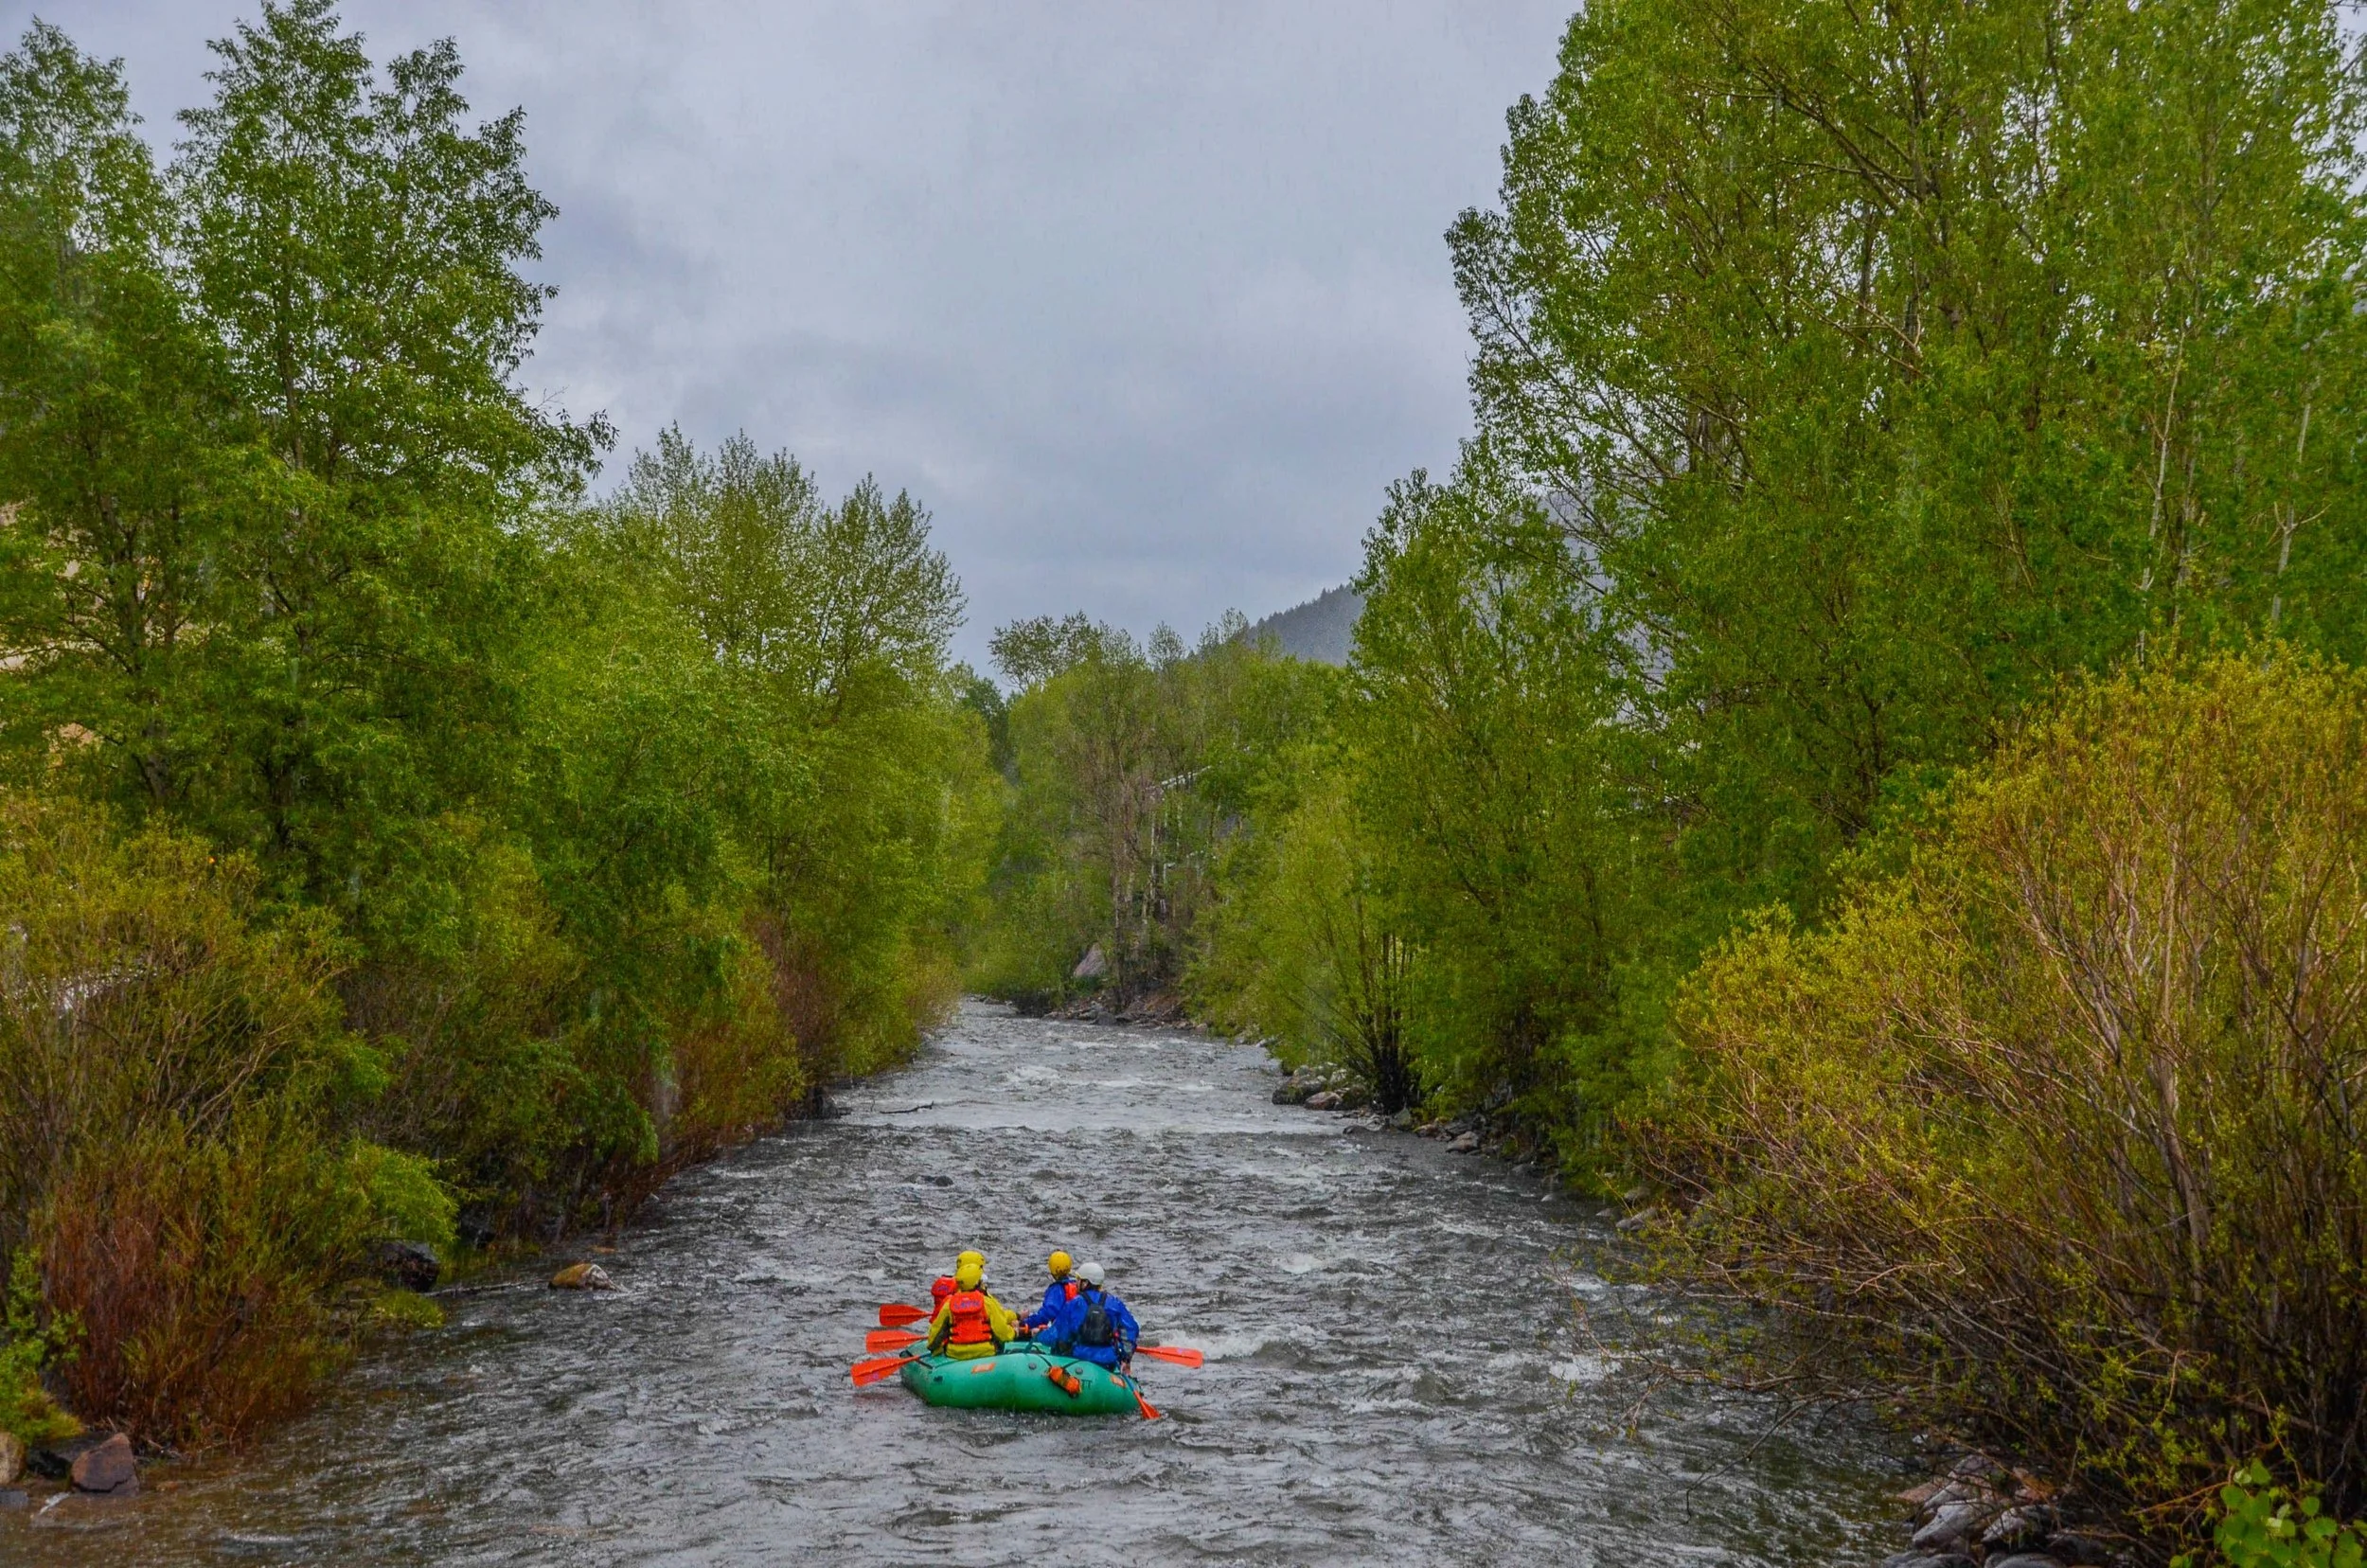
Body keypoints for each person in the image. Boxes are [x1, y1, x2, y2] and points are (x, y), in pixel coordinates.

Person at [1048, 1260, 1138, 1370]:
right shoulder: (1114, 1303)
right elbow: (1131, 1329)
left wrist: (1037, 1336)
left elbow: (1059, 1334)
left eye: (1078, 1280)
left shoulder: (1074, 1304)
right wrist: (1126, 1357)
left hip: (1077, 1360)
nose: (1076, 1283)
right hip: (1107, 1362)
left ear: (1085, 1283)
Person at [927, 1256, 1018, 1361]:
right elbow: (1002, 1332)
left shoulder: (949, 1304)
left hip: (955, 1355)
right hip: (986, 1353)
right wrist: (1014, 1333)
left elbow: (935, 1333)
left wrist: (934, 1350)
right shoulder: (987, 1303)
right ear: (977, 1282)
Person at [1019, 1250, 1077, 1338]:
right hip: (1073, 1330)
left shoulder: (1056, 1290)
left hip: (1061, 1333)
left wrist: (1026, 1322)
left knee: (1033, 1333)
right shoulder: (1076, 1286)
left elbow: (1047, 1314)